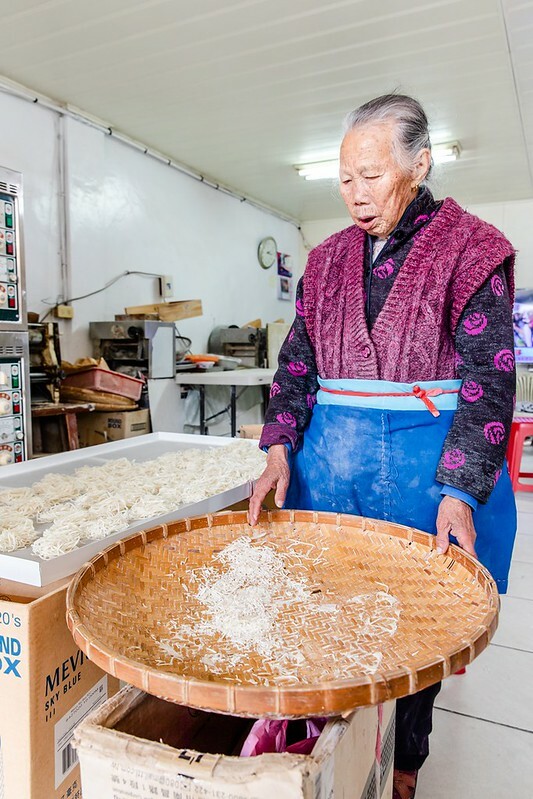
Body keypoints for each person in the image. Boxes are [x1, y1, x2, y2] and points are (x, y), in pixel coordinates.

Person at [249, 94, 517, 799]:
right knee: (327, 612)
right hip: (330, 478)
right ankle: (327, 750)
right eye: (344, 179)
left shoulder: (472, 248)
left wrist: (459, 493)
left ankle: (403, 763)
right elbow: (296, 367)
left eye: (371, 176)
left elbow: (489, 380)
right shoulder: (326, 261)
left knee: (414, 631)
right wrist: (277, 448)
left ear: (419, 164)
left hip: (424, 482)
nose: (355, 195)